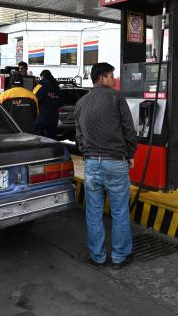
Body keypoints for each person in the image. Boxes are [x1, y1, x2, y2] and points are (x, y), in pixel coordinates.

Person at [74, 62, 137, 269]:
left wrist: (87, 153)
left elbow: (79, 136)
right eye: (111, 76)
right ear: (102, 77)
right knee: (119, 212)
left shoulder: (81, 102)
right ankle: (119, 257)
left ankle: (97, 257)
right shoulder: (116, 97)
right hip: (115, 163)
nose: (114, 80)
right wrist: (131, 153)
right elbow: (128, 128)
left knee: (93, 213)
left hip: (92, 164)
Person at [34, 70, 61, 139]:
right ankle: (52, 149)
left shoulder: (40, 86)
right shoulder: (57, 87)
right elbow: (61, 102)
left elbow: (33, 98)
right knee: (52, 138)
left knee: (39, 139)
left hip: (41, 116)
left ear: (42, 76)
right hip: (54, 117)